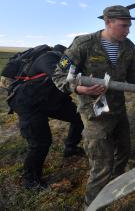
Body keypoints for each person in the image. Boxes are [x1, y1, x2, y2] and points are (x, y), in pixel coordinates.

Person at [52, 5, 135, 206]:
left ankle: (112, 190)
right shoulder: (82, 44)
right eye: (123, 26)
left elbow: (132, 74)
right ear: (108, 22)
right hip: (94, 113)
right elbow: (59, 75)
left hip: (118, 110)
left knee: (124, 152)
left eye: (129, 26)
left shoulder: (128, 47)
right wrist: (79, 90)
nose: (127, 30)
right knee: (102, 164)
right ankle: (92, 205)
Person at [7, 44, 84, 190]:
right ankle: (30, 180)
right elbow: (60, 76)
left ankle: (70, 148)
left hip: (51, 99)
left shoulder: (68, 60)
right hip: (29, 103)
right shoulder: (48, 57)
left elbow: (71, 73)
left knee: (79, 117)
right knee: (40, 142)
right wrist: (82, 82)